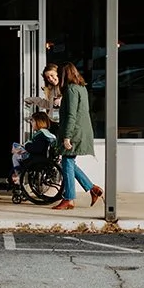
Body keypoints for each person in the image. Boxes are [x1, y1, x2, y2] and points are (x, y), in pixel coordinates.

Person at [51, 63, 103, 211]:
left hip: (74, 132)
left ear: (64, 75)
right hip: (80, 130)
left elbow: (71, 114)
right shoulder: (81, 88)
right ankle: (92, 189)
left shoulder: (71, 89)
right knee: (69, 162)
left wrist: (67, 137)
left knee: (67, 162)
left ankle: (69, 198)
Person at [9, 110, 56, 185]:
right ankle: (18, 175)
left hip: (36, 159)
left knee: (15, 156)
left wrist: (26, 146)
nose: (31, 123)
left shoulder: (40, 134)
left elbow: (37, 149)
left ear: (38, 122)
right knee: (16, 147)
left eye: (33, 121)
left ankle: (18, 176)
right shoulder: (47, 133)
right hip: (42, 158)